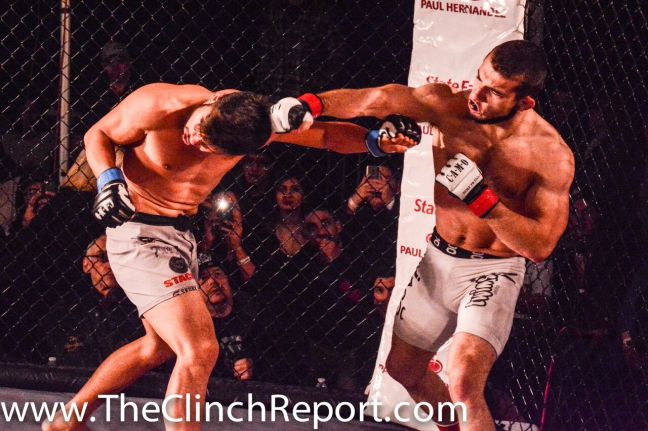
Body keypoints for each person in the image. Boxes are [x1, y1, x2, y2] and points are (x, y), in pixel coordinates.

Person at [43, 83, 419, 431]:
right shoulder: (162, 105)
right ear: (211, 103)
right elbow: (99, 134)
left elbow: (325, 135)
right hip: (138, 232)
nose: (195, 139)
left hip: (180, 236)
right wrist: (108, 179)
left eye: (210, 146)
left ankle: (67, 422)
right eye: (199, 127)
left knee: (158, 346)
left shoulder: (256, 125)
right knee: (200, 349)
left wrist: (374, 142)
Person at [275, 40, 575, 431]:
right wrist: (312, 104)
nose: (477, 95)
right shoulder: (447, 107)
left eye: (494, 92)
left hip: (493, 270)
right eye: (479, 79)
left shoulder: (549, 155)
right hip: (438, 258)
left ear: (525, 103)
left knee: (464, 384)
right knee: (404, 370)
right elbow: (379, 98)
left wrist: (483, 201)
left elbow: (540, 245)